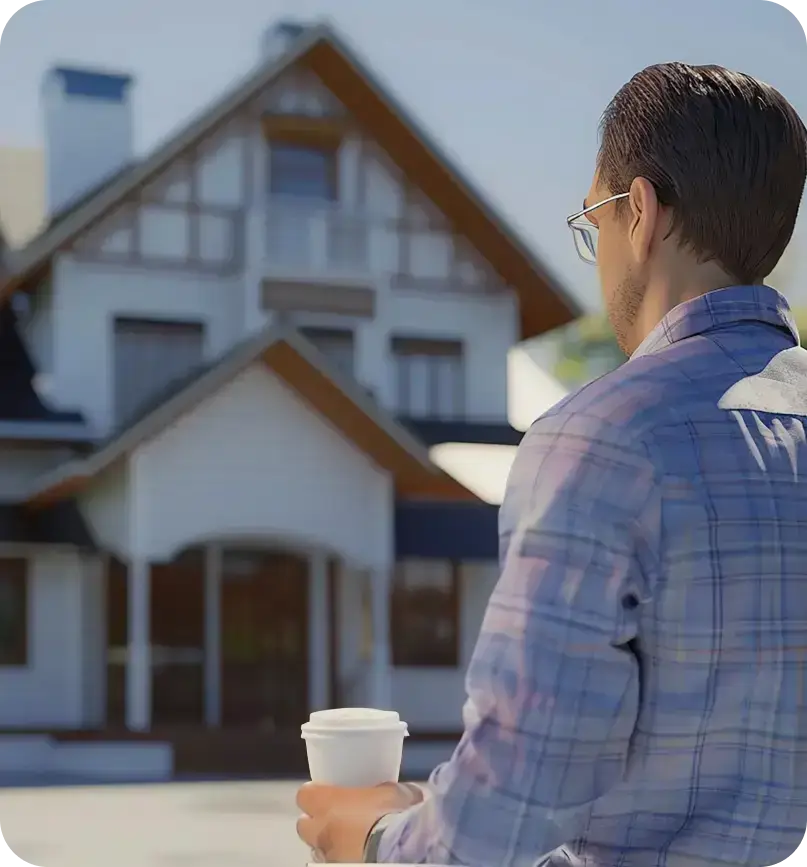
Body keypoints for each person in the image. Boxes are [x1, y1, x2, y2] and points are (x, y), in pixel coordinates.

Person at [296, 62, 807, 866]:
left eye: (592, 219)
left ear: (637, 213)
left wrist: (371, 834)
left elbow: (504, 806)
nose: (596, 252)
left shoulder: (606, 437)